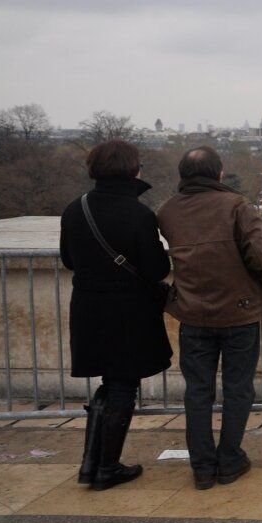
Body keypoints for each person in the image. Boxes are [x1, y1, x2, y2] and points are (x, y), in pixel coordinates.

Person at [157, 147, 262, 490]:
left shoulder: (167, 211)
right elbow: (260, 257)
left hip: (193, 313)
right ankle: (229, 460)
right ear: (219, 174)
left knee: (198, 392)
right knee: (238, 389)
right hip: (238, 311)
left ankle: (201, 467)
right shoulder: (237, 206)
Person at [59, 140, 172, 491]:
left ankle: (92, 464)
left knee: (111, 384)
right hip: (127, 310)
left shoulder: (75, 210)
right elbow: (155, 269)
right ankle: (106, 467)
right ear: (132, 170)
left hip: (89, 307)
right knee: (123, 385)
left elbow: (68, 260)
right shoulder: (138, 214)